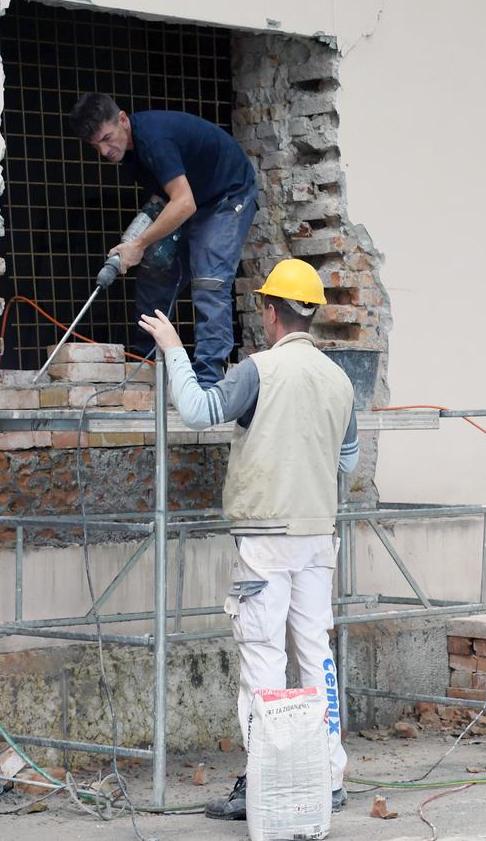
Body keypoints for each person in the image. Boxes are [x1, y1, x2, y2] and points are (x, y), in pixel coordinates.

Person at [138, 257, 358, 821]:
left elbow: (197, 411)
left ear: (270, 313)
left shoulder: (257, 370)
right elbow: (348, 462)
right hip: (317, 535)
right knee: (316, 654)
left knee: (262, 658)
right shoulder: (340, 380)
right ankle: (328, 778)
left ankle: (269, 782)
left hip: (265, 536)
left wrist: (172, 348)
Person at [68, 92, 259, 385]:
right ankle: (146, 371)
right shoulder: (129, 156)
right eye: (96, 145)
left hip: (226, 196)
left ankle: (209, 384)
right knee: (155, 267)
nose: (105, 150)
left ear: (123, 120)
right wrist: (141, 243)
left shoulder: (154, 140)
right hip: (193, 198)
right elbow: (165, 195)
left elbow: (183, 203)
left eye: (107, 138)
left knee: (209, 279)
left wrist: (138, 243)